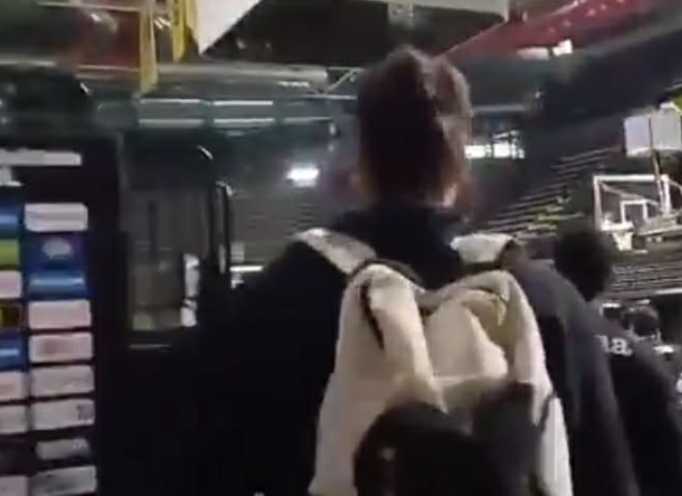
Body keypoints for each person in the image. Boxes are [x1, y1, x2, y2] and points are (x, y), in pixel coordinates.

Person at [156, 48, 638, 496]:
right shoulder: (547, 305)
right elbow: (609, 480)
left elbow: (192, 467)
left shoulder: (275, 304)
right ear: (460, 160)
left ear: (363, 161)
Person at [552, 222, 682, 496]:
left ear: (557, 273)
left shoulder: (539, 352)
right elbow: (678, 464)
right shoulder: (641, 359)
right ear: (609, 278)